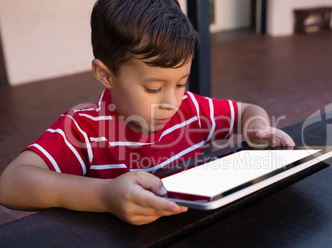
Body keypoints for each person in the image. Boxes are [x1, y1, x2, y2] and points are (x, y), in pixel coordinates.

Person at [0, 0, 295, 225]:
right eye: (153, 88)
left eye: (181, 83)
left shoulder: (192, 109)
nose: (171, 102)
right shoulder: (84, 129)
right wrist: (104, 196)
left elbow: (247, 112)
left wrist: (258, 131)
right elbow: (11, 184)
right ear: (105, 74)